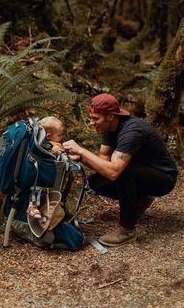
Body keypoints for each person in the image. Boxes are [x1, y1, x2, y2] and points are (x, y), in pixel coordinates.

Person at [63, 93, 178, 247]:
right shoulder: (109, 128)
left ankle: (127, 230)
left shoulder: (132, 131)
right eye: (91, 117)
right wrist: (81, 158)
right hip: (140, 172)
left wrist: (83, 151)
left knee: (123, 171)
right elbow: (103, 159)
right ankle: (140, 199)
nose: (91, 123)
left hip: (164, 178)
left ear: (110, 116)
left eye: (95, 118)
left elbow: (113, 171)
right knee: (94, 183)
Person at [27, 116, 78, 218]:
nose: (62, 137)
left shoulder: (42, 142)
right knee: (37, 188)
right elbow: (54, 153)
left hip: (42, 172)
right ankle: (32, 206)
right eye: (60, 135)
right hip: (43, 174)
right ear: (48, 136)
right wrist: (54, 152)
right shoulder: (49, 145)